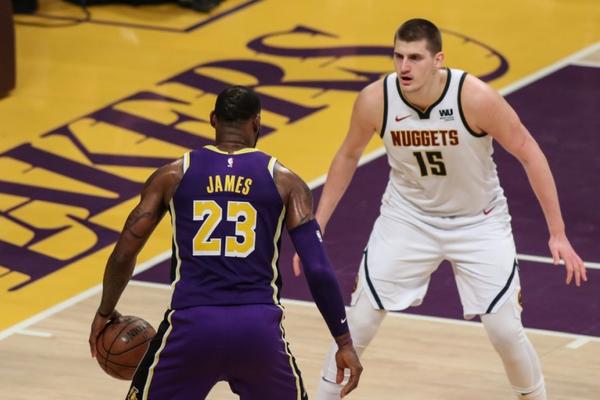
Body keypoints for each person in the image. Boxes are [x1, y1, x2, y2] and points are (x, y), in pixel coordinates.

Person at [293, 18, 587, 400]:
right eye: (398, 56)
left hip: (478, 220)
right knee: (357, 323)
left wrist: (557, 232)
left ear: (438, 60)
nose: (404, 67)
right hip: (407, 218)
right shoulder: (376, 100)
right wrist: (318, 223)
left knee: (504, 331)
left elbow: (530, 152)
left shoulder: (475, 98)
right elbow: (348, 155)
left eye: (415, 58)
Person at [88, 86, 362, 400]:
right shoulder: (286, 182)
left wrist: (105, 311)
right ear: (257, 123)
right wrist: (344, 342)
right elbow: (318, 269)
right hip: (258, 330)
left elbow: (125, 252)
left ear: (212, 120)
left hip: (191, 328)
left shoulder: (171, 175)